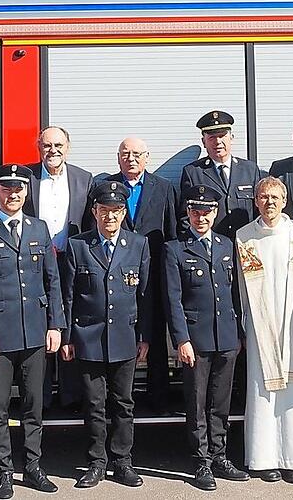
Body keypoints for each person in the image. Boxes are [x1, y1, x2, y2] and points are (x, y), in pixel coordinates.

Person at [0, 164, 66, 499]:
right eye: (7, 188)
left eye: (19, 188)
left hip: (35, 334)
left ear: (25, 192)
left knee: (35, 406)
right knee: (0, 408)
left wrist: (55, 324)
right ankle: (4, 471)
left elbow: (53, 282)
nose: (13, 194)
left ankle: (33, 466)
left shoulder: (39, 228)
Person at [235, 177, 293, 484]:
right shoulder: (244, 237)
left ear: (285, 199)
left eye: (275, 197)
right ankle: (265, 458)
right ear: (256, 201)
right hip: (261, 326)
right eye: (263, 197)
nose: (269, 202)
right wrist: (245, 328)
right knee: (263, 392)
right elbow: (239, 289)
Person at [60, 181, 151, 489]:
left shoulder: (138, 245)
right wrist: (68, 337)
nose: (110, 217)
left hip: (125, 337)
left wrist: (145, 337)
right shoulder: (78, 245)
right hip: (88, 337)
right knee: (95, 404)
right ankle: (97, 462)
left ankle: (123, 461)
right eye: (104, 211)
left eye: (116, 211)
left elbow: (145, 296)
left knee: (123, 402)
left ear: (123, 213)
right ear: (94, 212)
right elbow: (68, 295)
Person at [164, 185, 250, 491]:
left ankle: (220, 455)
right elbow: (172, 299)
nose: (201, 217)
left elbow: (236, 294)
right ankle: (201, 461)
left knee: (220, 402)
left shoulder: (227, 245)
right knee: (197, 403)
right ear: (187, 213)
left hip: (226, 336)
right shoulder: (175, 249)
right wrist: (181, 339)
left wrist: (239, 333)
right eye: (195, 211)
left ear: (216, 213)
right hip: (196, 339)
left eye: (207, 211)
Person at [105, 136, 179, 411]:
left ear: (147, 157)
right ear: (118, 157)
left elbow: (172, 233)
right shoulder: (106, 187)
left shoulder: (164, 188)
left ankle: (158, 398)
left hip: (154, 273)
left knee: (154, 334)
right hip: (115, 271)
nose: (131, 158)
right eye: (125, 153)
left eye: (137, 154)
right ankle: (119, 400)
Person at [23, 125, 93, 410]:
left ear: (68, 147)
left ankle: (70, 395)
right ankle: (42, 398)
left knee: (70, 320)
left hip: (70, 260)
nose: (53, 150)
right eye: (47, 145)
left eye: (58, 145)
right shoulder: (26, 177)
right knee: (39, 323)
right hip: (34, 262)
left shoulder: (83, 179)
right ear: (39, 147)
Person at [181, 110, 264, 239]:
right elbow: (185, 217)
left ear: (231, 138)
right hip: (213, 250)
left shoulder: (250, 170)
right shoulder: (193, 172)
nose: (218, 142)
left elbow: (259, 211)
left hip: (246, 245)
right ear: (204, 142)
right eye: (212, 137)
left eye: (222, 136)